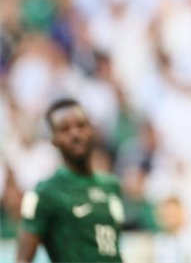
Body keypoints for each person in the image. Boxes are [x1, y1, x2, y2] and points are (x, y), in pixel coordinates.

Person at [16, 98, 124, 262]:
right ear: (53, 139)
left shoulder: (112, 186)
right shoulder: (45, 193)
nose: (75, 134)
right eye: (64, 129)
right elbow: (22, 260)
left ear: (91, 130)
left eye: (81, 125)